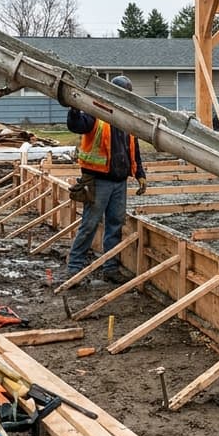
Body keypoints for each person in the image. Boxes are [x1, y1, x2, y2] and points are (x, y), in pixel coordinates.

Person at [65, 75, 148, 283]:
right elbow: (78, 125)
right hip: (98, 180)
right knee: (90, 224)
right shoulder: (97, 112)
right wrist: (74, 109)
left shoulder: (127, 118)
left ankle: (111, 267)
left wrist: (139, 173)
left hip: (119, 181)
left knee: (115, 225)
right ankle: (74, 268)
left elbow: (133, 148)